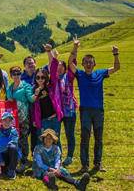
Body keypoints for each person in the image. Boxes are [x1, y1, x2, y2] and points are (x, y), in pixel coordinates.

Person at [68, 36, 120, 172]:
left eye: (90, 62)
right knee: (85, 138)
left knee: (98, 138)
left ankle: (97, 164)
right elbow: (70, 64)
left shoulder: (101, 73)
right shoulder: (79, 74)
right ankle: (84, 165)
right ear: (83, 64)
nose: (88, 64)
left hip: (98, 111)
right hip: (85, 110)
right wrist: (75, 47)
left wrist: (115, 54)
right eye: (86, 62)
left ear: (94, 64)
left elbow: (116, 67)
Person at [6, 66, 37, 172]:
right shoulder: (9, 88)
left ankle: (24, 160)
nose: (16, 76)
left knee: (23, 139)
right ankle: (16, 159)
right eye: (14, 73)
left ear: (21, 74)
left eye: (18, 73)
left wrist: (36, 93)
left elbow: (31, 100)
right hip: (13, 119)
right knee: (14, 138)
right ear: (11, 75)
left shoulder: (26, 86)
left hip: (24, 118)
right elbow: (8, 101)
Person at [32, 44, 63, 148]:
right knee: (42, 142)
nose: (40, 79)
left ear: (46, 78)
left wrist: (49, 52)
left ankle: (57, 163)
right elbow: (33, 106)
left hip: (54, 119)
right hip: (43, 121)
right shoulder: (34, 90)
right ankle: (41, 164)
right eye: (38, 77)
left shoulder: (51, 87)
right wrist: (36, 93)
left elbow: (53, 69)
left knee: (56, 141)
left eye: (42, 77)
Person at [58, 57, 78, 167]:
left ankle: (69, 156)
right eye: (58, 68)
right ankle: (58, 155)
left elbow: (73, 63)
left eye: (62, 68)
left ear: (65, 69)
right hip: (57, 111)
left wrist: (75, 49)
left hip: (69, 110)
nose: (59, 70)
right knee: (56, 134)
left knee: (69, 134)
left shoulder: (69, 77)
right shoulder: (53, 79)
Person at [0, 112, 20, 179]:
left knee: (13, 147)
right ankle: (3, 169)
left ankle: (11, 170)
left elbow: (14, 144)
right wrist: (0, 160)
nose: (7, 122)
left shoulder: (14, 131)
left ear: (12, 122)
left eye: (9, 121)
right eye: (5, 120)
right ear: (1, 121)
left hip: (10, 156)